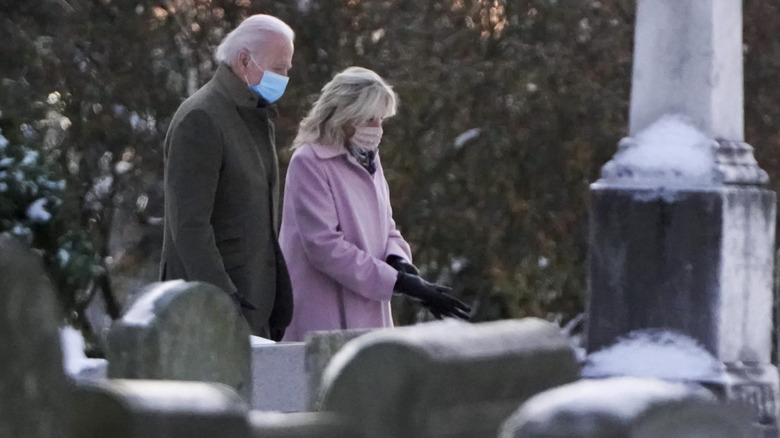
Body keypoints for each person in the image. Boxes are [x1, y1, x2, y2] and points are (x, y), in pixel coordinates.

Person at [279, 67, 471, 341]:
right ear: (343, 114)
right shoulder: (309, 162)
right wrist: (397, 282)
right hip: (325, 309)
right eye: (369, 119)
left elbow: (386, 226)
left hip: (369, 308)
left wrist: (398, 260)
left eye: (381, 120)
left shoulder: (368, 160)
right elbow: (324, 246)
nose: (377, 129)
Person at [159, 14, 294, 341]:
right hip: (211, 317)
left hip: (250, 310)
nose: (285, 78)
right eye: (279, 69)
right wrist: (225, 302)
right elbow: (190, 226)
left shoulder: (252, 117)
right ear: (245, 60)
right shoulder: (202, 118)